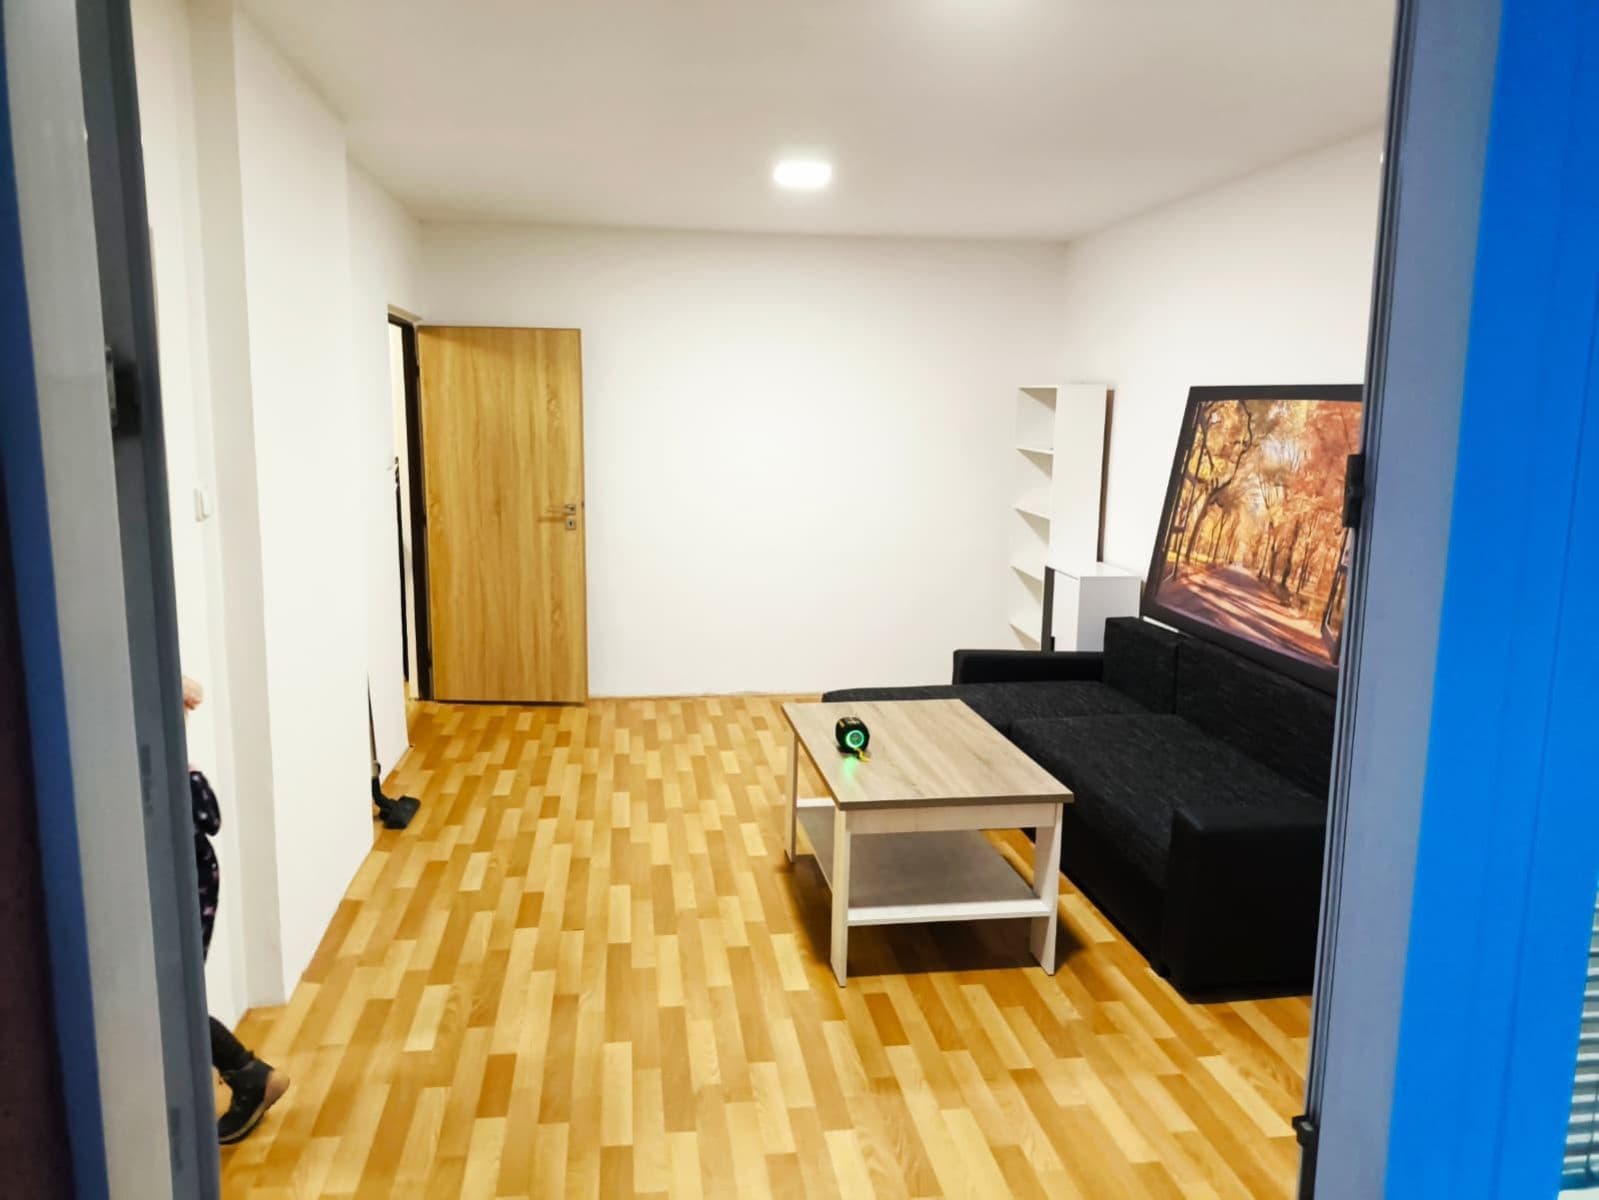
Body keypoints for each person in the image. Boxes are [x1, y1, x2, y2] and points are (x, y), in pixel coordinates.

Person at [183, 675, 290, 1144]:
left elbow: (210, 818)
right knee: (172, 994)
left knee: (173, 994)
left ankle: (249, 1076)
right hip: (177, 870)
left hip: (184, 874)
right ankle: (247, 1076)